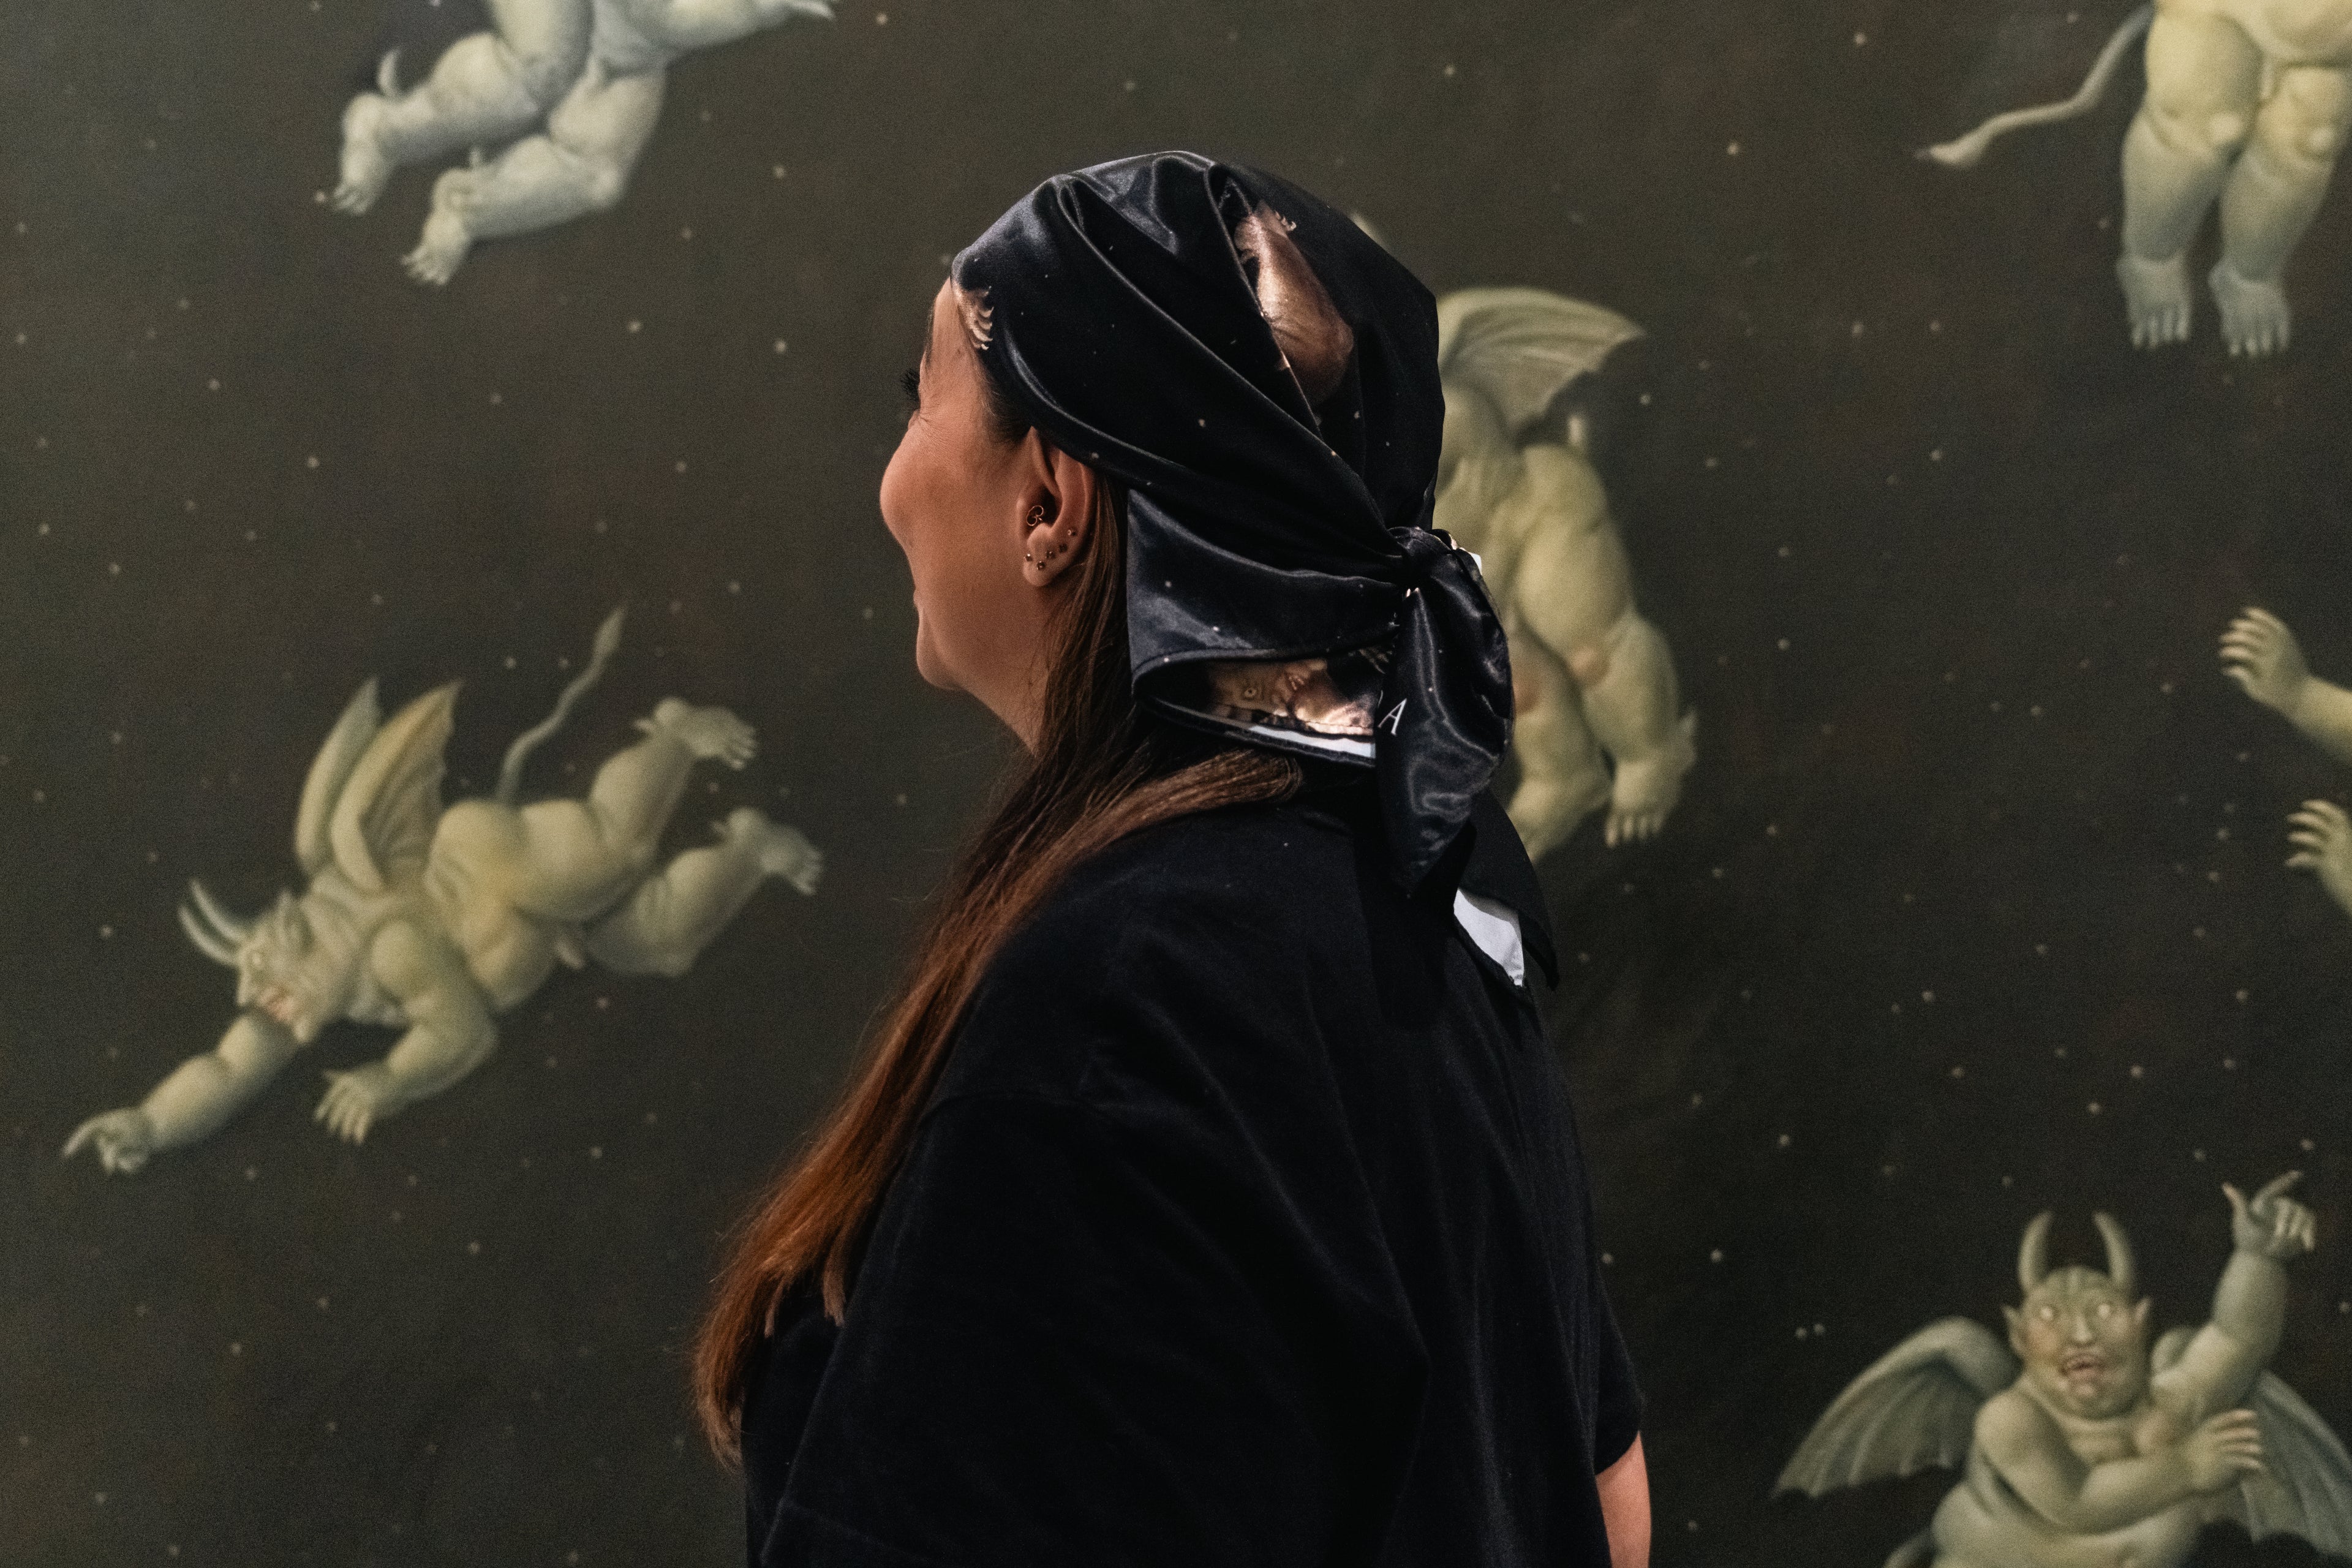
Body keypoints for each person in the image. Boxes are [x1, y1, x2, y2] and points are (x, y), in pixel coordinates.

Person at [693, 151, 1650, 1568]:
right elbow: (1607, 1504)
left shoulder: (1119, 997)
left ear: (1049, 505)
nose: (892, 479)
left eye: (920, 398)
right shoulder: (1439, 891)